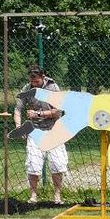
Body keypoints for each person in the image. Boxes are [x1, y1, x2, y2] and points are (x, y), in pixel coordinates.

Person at [12, 66, 67, 204]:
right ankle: (33, 196)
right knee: (33, 164)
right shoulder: (27, 89)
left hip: (54, 129)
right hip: (35, 130)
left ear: (43, 77)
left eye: (36, 81)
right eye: (32, 82)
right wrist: (19, 127)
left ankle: (57, 196)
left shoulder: (53, 87)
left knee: (57, 164)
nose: (34, 84)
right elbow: (17, 110)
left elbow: (58, 111)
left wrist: (38, 114)